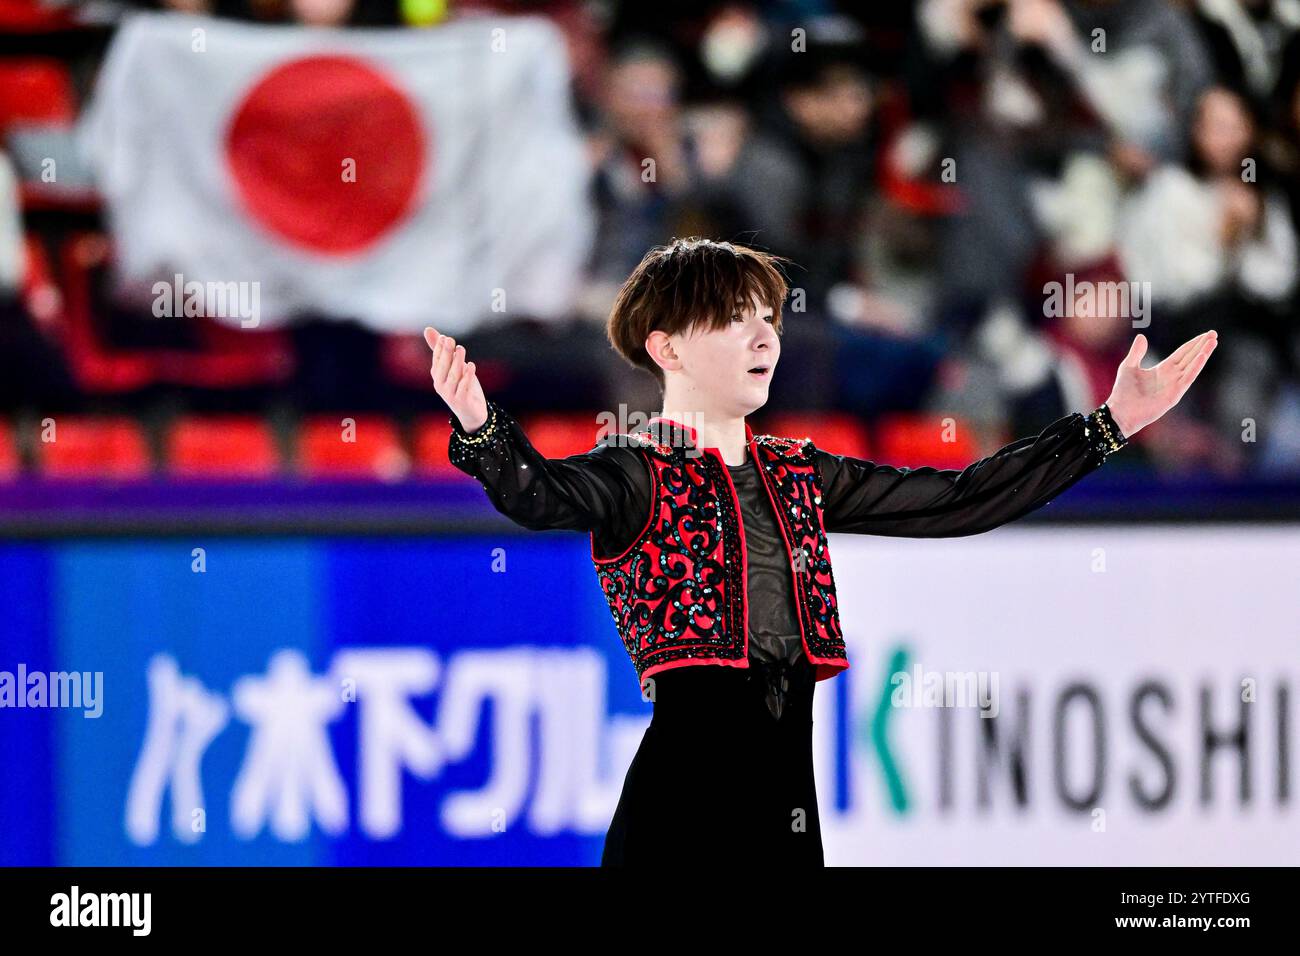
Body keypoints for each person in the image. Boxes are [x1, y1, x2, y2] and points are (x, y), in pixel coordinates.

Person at [424, 237, 1216, 866]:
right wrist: (482, 428)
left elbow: (963, 499)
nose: (764, 333)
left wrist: (1106, 426)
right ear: (667, 349)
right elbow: (537, 495)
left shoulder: (799, 473)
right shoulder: (635, 473)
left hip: (787, 820)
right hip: (680, 817)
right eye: (736, 317)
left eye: (767, 316)